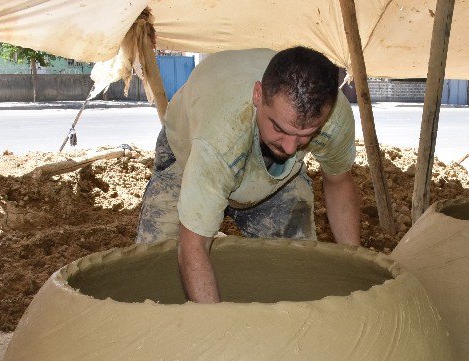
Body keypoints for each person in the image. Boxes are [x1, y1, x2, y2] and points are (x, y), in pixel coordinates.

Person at [135, 46, 361, 303]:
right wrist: (219, 331)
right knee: (154, 269)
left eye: (305, 135)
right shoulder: (219, 138)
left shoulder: (334, 119)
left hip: (273, 178)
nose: (289, 147)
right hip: (188, 153)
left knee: (297, 269)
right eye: (279, 128)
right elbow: (192, 247)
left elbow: (339, 182)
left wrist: (353, 270)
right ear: (258, 95)